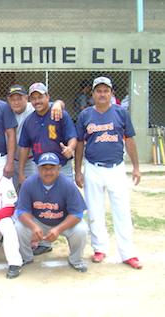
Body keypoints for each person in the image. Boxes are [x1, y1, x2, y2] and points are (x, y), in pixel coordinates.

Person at [75, 76, 143, 269]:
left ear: (111, 93)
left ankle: (128, 253)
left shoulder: (121, 113)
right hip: (93, 168)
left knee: (121, 211)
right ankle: (99, 248)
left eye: (106, 90)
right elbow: (79, 143)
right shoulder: (85, 115)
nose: (102, 94)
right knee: (95, 211)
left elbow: (129, 140)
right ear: (93, 94)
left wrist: (136, 167)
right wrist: (78, 171)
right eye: (98, 90)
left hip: (116, 168)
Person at [7, 84, 64, 257]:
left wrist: (58, 104)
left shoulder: (34, 107)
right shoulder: (5, 110)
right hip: (11, 161)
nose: (16, 101)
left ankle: (42, 240)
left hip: (31, 161)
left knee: (36, 199)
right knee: (12, 199)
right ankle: (14, 234)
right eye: (13, 98)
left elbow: (56, 104)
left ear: (27, 99)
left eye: (20, 97)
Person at [15, 152, 88, 273]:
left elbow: (77, 214)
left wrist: (58, 229)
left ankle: (76, 260)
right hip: (39, 221)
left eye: (52, 168)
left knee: (81, 229)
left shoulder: (67, 185)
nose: (48, 172)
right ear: (38, 168)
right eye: (44, 168)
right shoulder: (29, 183)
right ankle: (26, 257)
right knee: (19, 226)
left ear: (59, 168)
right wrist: (33, 227)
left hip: (62, 222)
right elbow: (22, 211)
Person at [18, 82, 77, 183]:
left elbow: (72, 136)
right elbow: (24, 147)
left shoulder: (59, 113)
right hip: (40, 168)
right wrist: (21, 171)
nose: (37, 101)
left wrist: (70, 148)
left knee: (66, 196)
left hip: (62, 166)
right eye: (33, 98)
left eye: (40, 97)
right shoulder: (28, 121)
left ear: (47, 97)